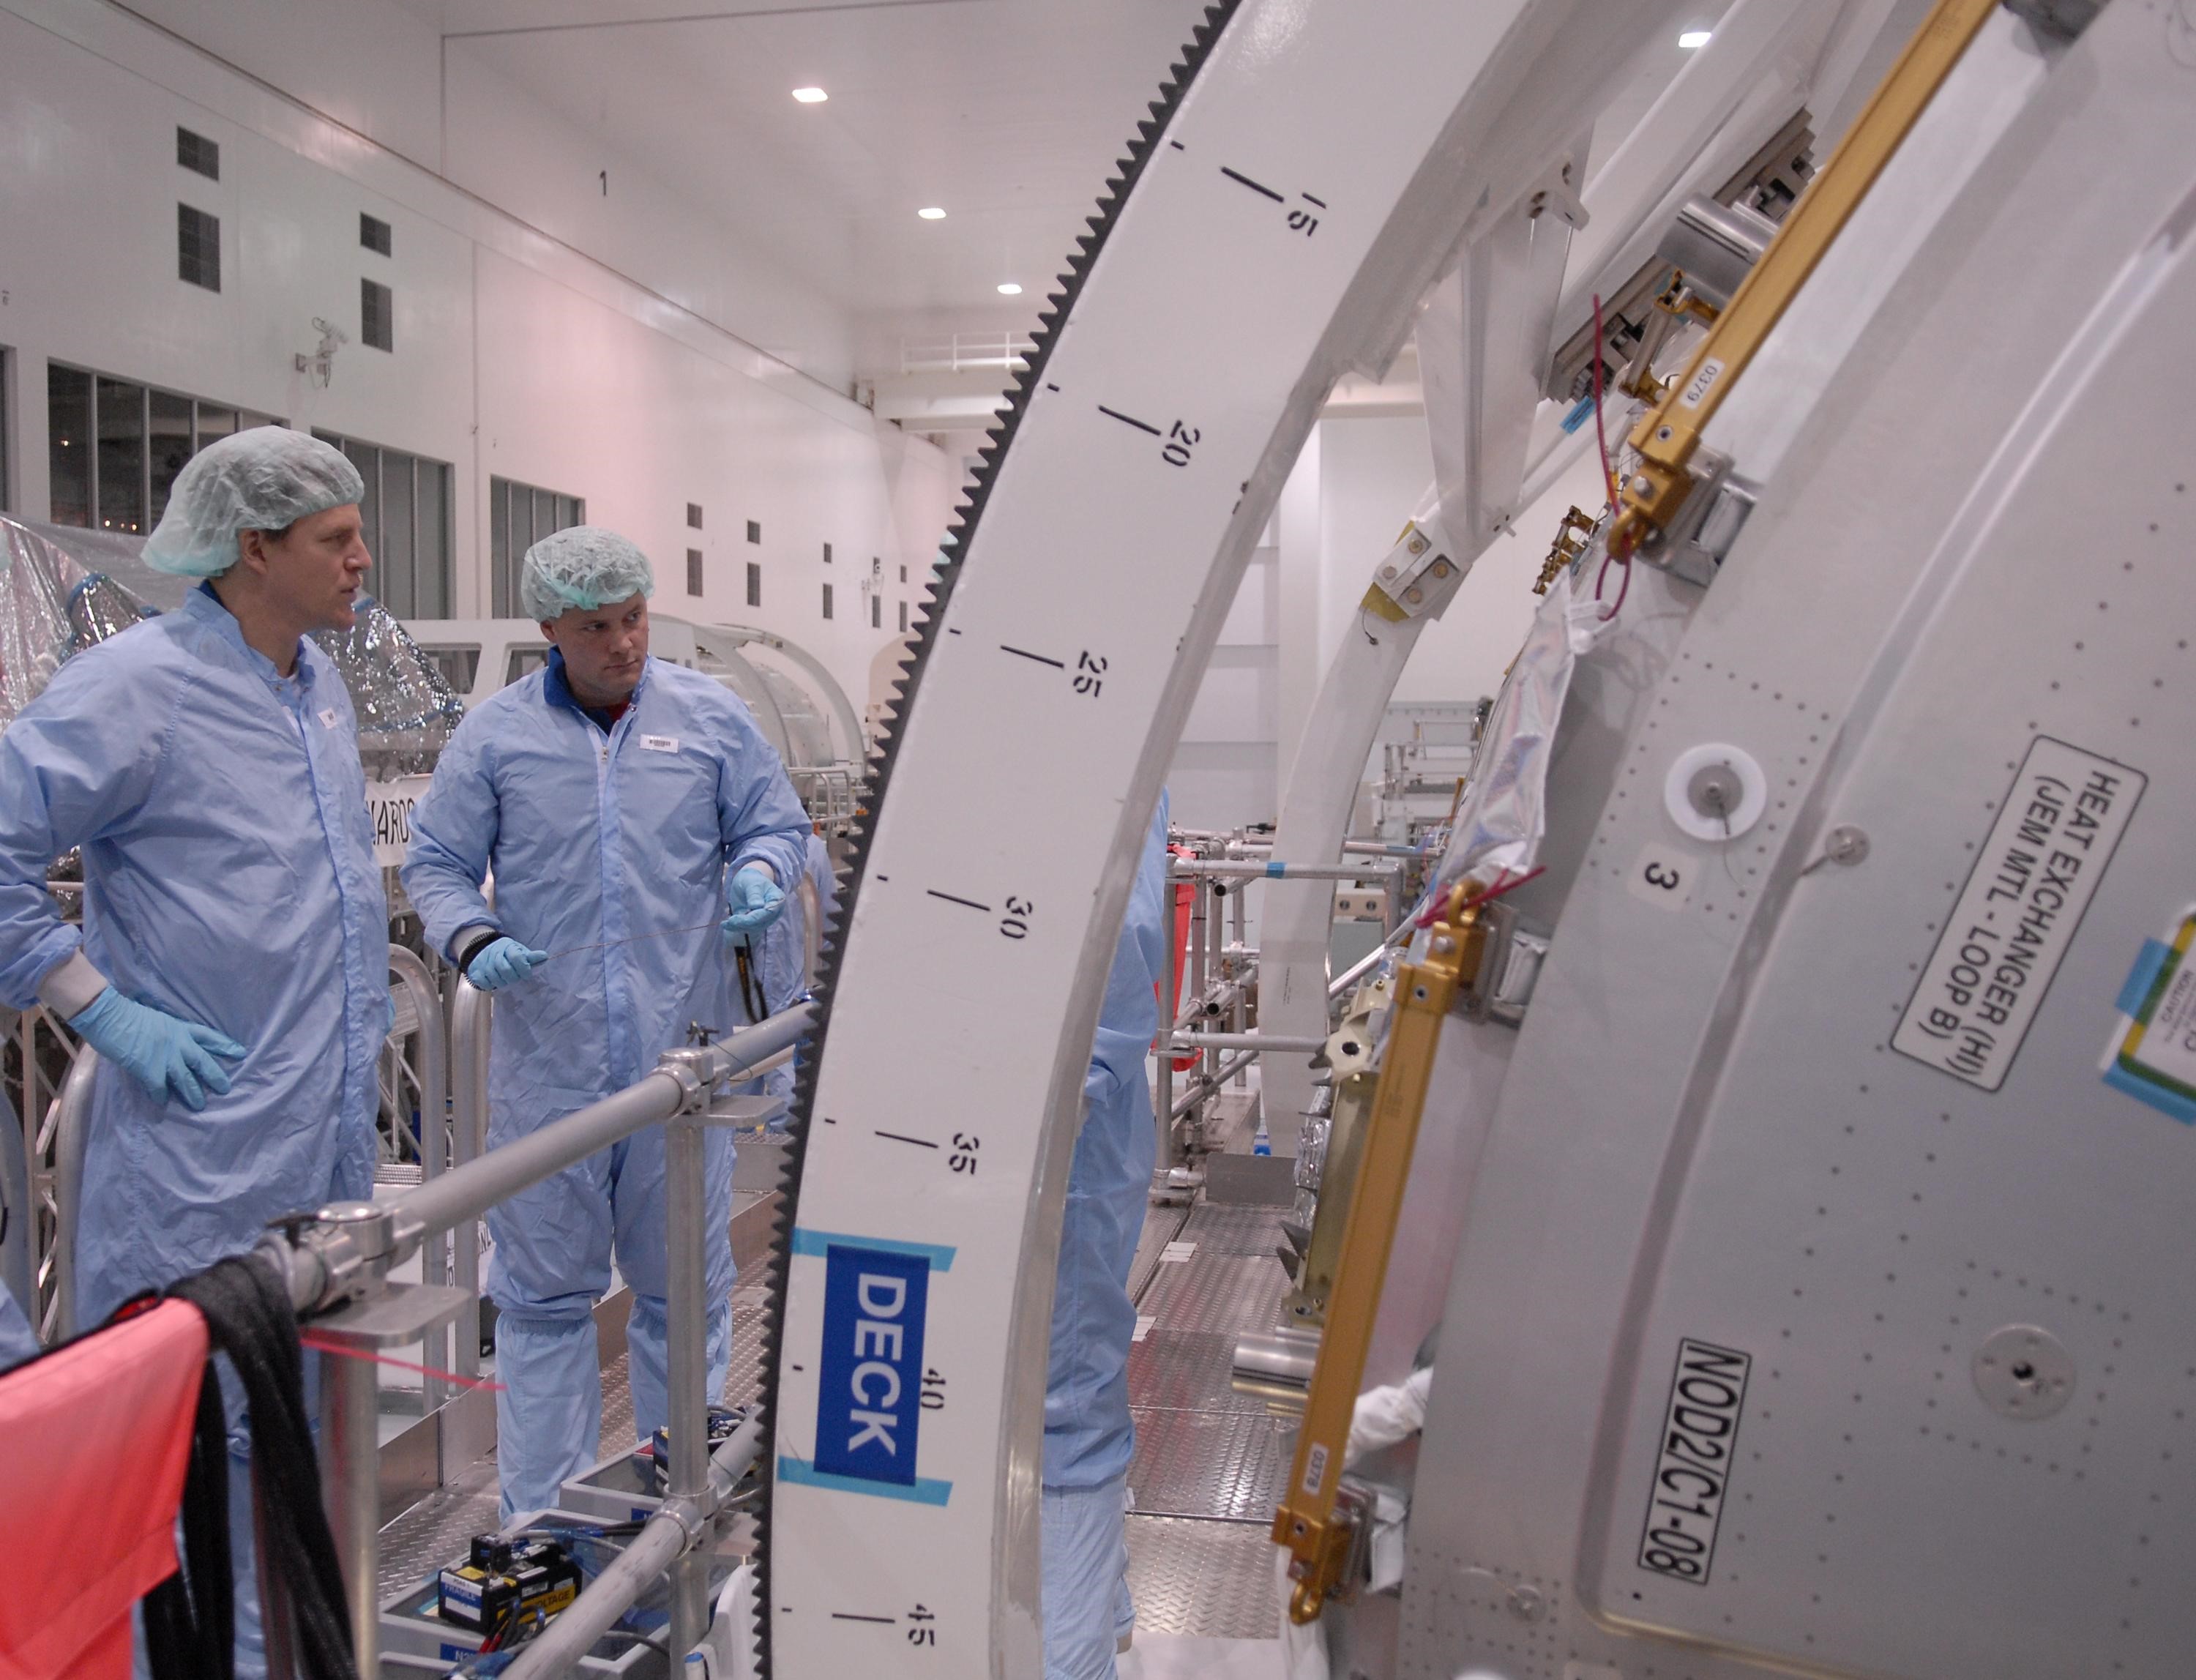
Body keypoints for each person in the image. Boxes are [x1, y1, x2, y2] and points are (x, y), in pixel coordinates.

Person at [0, 427, 384, 1678]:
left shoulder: (313, 684)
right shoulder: (139, 685)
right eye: (335, 539)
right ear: (253, 546)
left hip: (313, 1144)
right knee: (177, 1463)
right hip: (194, 1157)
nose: (362, 559)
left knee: (282, 1454)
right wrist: (97, 1004)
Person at [403, 526, 809, 1520]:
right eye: (596, 626)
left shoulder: (709, 716)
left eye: (634, 618)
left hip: (680, 1067)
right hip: (552, 1068)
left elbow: (774, 821)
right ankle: (545, 1527)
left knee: (683, 1297)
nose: (624, 641)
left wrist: (762, 870)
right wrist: (472, 936)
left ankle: (680, 1513)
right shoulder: (497, 737)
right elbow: (437, 862)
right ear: (550, 628)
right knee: (543, 1302)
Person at [1042, 794, 1170, 1680]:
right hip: (1007, 1114)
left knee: (1064, 1396)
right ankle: (1100, 1611)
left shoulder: (1098, 749)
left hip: (1065, 1127)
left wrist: (1066, 1092)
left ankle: (1070, 1658)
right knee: (1046, 1388)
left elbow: (1124, 931)